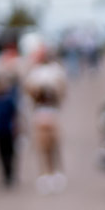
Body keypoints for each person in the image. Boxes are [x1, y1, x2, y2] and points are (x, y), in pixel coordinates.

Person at [24, 46, 68, 194]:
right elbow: (29, 91)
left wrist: (52, 90)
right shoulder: (34, 73)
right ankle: (44, 174)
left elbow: (62, 91)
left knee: (54, 145)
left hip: (53, 113)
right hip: (39, 114)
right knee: (42, 147)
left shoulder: (55, 71)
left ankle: (56, 172)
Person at [0, 74, 20, 189]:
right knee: (2, 154)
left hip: (9, 129)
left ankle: (11, 174)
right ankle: (5, 175)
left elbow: (14, 115)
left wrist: (16, 128)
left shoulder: (9, 100)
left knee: (10, 153)